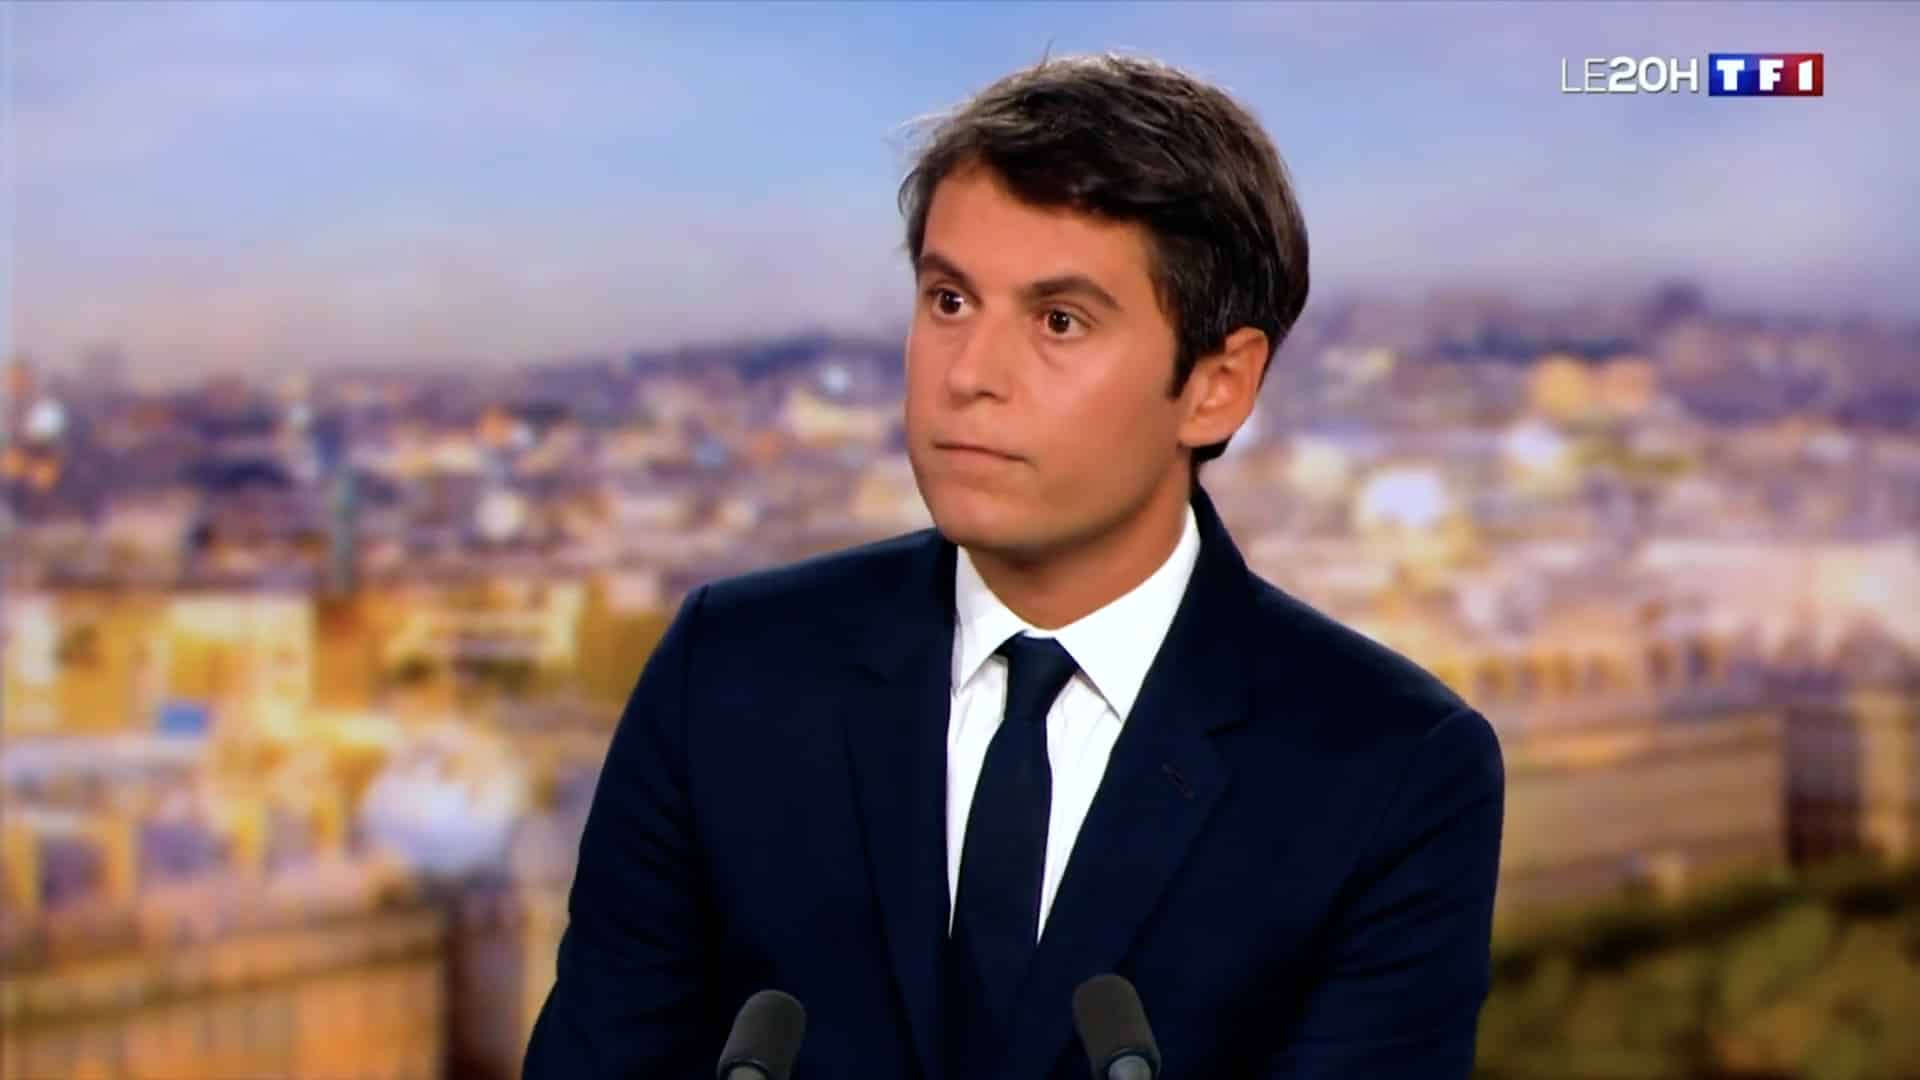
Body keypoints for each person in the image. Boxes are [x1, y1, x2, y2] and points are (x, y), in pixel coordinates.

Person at [524, 52, 1504, 1079]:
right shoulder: (727, 675)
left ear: (1216, 385)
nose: (971, 376)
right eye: (949, 301)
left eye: (1058, 321)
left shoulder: (1390, 769)